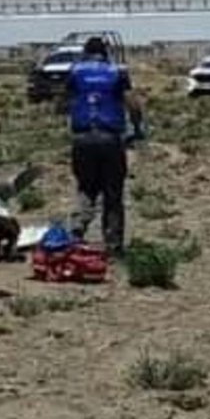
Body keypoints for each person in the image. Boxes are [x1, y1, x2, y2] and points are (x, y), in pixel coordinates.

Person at [64, 35, 142, 256]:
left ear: (86, 52)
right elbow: (132, 104)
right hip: (110, 139)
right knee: (113, 192)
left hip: (82, 138)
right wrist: (137, 128)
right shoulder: (117, 72)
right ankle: (113, 244)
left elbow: (64, 102)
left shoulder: (75, 72)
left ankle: (77, 230)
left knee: (86, 187)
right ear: (106, 52)